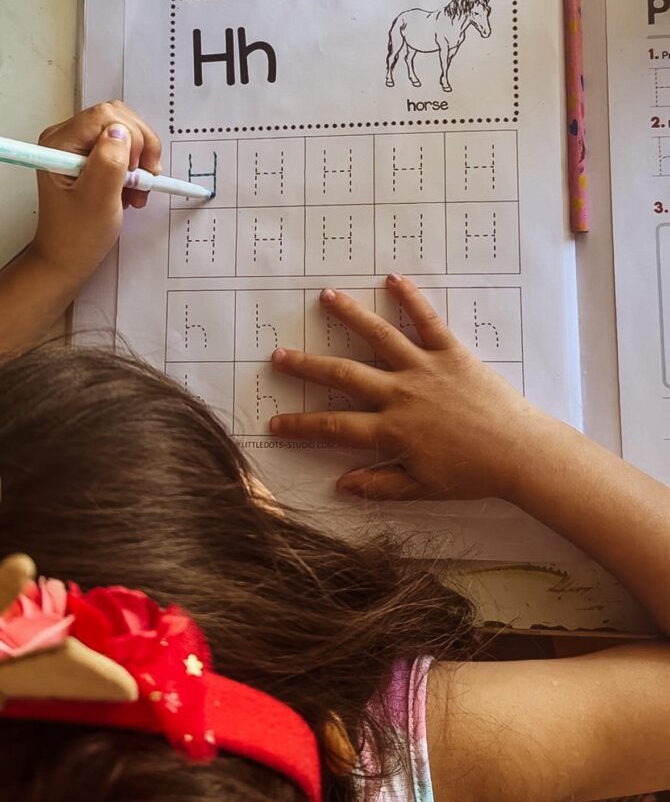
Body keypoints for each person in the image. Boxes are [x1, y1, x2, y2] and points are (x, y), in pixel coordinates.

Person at [0, 101, 668, 802]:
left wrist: (53, 261)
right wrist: (519, 449)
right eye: (235, 484)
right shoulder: (383, 752)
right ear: (250, 600)